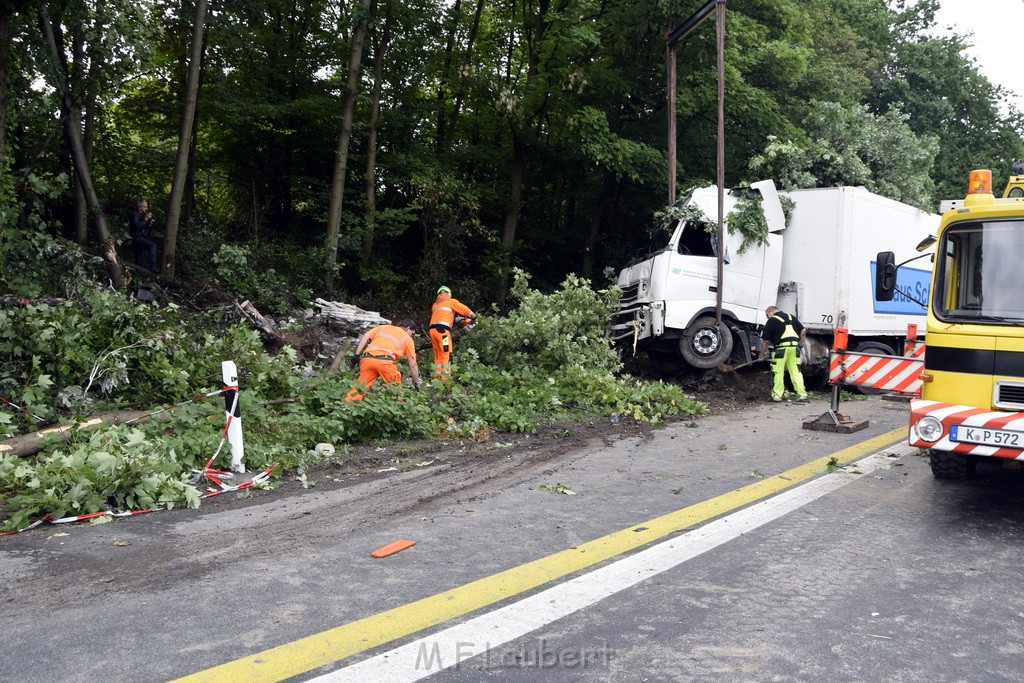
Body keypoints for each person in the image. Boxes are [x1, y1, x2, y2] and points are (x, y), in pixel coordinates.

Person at [344, 320, 422, 402]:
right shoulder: (407, 339)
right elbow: (413, 365)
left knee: (361, 386)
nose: (411, 336)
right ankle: (397, 409)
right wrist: (416, 382)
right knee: (395, 390)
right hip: (385, 362)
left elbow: (366, 336)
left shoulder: (383, 327)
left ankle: (346, 406)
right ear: (408, 328)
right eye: (412, 334)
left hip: (367, 359)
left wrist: (356, 354)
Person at [759, 305, 808, 402]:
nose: (767, 317)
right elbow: (803, 330)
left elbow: (765, 341)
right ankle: (802, 395)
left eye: (767, 315)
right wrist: (801, 343)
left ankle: (777, 396)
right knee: (795, 371)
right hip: (794, 348)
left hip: (781, 349)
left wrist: (761, 355)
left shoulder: (772, 320)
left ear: (772, 311)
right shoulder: (791, 317)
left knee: (778, 372)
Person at [428, 285, 476, 379]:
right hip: (443, 332)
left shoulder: (435, 305)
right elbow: (464, 310)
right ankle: (445, 380)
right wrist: (473, 316)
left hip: (432, 332)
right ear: (449, 293)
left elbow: (445, 317)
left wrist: (459, 321)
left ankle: (437, 378)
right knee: (446, 354)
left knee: (438, 355)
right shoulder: (451, 301)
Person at [130, 199, 159, 273]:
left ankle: (136, 277)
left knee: (139, 260)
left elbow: (146, 228)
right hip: (137, 237)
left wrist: (150, 223)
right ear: (139, 207)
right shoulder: (134, 214)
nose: (146, 208)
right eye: (145, 207)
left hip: (142, 238)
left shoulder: (143, 216)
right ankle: (153, 266)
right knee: (153, 245)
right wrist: (146, 219)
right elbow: (136, 227)